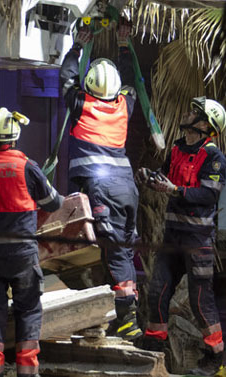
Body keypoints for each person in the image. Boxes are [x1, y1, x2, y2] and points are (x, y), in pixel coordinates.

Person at [59, 21, 142, 340]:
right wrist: (124, 44)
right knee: (122, 247)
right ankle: (123, 311)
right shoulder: (125, 105)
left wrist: (78, 45)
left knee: (114, 253)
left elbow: (66, 77)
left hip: (101, 190)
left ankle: (126, 318)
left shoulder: (81, 105)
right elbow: (132, 80)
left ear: (90, 86)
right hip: (127, 189)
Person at [0, 107, 63, 377]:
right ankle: (26, 371)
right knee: (29, 309)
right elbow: (53, 203)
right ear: (15, 136)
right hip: (22, 254)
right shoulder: (28, 167)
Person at [136, 96, 226, 376]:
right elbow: (165, 177)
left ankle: (214, 356)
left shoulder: (214, 158)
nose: (187, 114)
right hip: (171, 236)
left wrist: (174, 191)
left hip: (197, 240)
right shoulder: (177, 148)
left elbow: (207, 194)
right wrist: (150, 178)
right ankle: (154, 342)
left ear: (205, 124)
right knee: (158, 289)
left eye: (194, 113)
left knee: (201, 301)